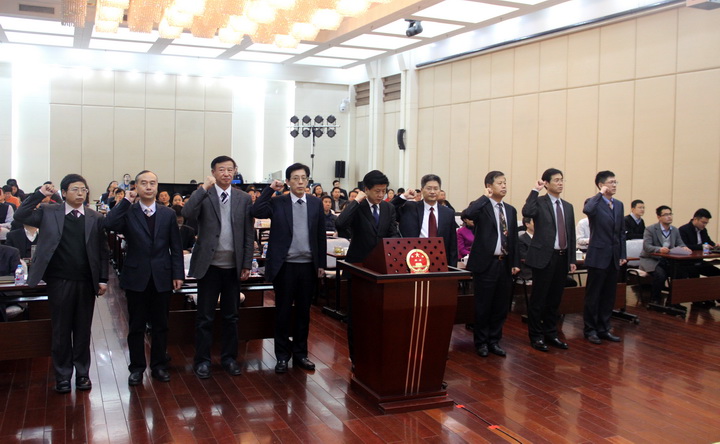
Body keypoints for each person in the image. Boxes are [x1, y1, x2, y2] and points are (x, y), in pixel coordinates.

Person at [14, 175, 109, 394]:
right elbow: (21, 215)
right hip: (59, 280)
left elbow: (102, 251)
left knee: (83, 330)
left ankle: (83, 373)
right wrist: (40, 194)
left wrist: (103, 279)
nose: (80, 193)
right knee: (61, 330)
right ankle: (63, 375)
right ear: (64, 193)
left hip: (86, 281)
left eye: (83, 189)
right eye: (75, 189)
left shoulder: (94, 217)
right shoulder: (49, 212)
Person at [105, 171, 184, 386]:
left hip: (162, 275)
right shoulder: (128, 212)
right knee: (136, 326)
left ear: (157, 187)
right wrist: (125, 201)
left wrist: (178, 273)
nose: (148, 187)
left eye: (152, 183)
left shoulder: (168, 213)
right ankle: (137, 368)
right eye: (143, 183)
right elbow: (109, 224)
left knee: (161, 325)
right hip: (136, 275)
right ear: (136, 187)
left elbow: (176, 247)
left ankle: (158, 365)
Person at [182, 156, 254, 379]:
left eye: (230, 169)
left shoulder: (243, 198)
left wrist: (246, 263)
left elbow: (248, 233)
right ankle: (202, 361)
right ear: (213, 172)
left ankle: (229, 359)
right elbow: (187, 213)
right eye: (221, 169)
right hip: (209, 266)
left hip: (233, 267)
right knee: (205, 317)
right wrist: (203, 188)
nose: (226, 173)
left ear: (235, 172)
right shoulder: (205, 194)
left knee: (231, 317)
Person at [251, 163, 327, 373]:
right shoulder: (279, 202)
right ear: (287, 181)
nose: (300, 182)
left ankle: (301, 354)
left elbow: (320, 235)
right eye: (295, 178)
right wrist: (270, 189)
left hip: (308, 266)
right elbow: (256, 210)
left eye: (304, 178)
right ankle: (282, 356)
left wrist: (321, 264)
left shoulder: (315, 203)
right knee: (283, 312)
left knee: (303, 313)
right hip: (285, 266)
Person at [335, 170, 399, 362]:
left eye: (383, 191)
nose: (380, 195)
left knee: (378, 315)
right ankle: (356, 357)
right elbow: (340, 224)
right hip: (358, 267)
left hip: (381, 269)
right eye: (377, 191)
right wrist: (356, 201)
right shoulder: (358, 206)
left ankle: (375, 354)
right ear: (366, 189)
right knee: (357, 316)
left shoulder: (388, 208)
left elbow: (392, 233)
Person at [464, 171, 520, 357]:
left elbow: (513, 239)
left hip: (504, 263)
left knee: (500, 306)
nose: (503, 186)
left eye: (505, 183)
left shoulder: (510, 210)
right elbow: (467, 214)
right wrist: (484, 198)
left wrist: (515, 262)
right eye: (499, 183)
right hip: (486, 264)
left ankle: (494, 341)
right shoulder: (482, 207)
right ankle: (481, 342)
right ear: (489, 186)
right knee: (483, 305)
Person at [522, 168, 577, 352]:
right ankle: (536, 336)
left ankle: (551, 333)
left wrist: (571, 258)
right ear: (546, 183)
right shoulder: (539, 202)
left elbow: (571, 234)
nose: (560, 183)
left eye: (562, 180)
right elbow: (527, 211)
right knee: (539, 299)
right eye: (556, 180)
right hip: (544, 257)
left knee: (554, 299)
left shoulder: (567, 206)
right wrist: (534, 190)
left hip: (562, 257)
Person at [582, 171, 626, 345]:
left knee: (608, 295)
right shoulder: (593, 202)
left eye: (616, 182)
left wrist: (622, 254)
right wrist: (600, 194)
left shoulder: (619, 205)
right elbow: (587, 210)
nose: (614, 185)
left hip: (613, 256)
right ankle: (590, 329)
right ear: (601, 185)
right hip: (598, 256)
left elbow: (621, 232)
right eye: (611, 182)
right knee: (593, 295)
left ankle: (604, 328)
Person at [391, 174, 458, 267]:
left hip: (439, 260)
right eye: (429, 188)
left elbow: (452, 244)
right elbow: (389, 209)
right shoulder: (410, 207)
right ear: (422, 190)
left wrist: (452, 269)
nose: (432, 192)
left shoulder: (448, 213)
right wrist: (403, 197)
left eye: (436, 189)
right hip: (413, 259)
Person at [639, 206, 691, 305]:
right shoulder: (650, 229)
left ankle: (673, 300)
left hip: (667, 260)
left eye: (670, 214)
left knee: (681, 273)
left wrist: (684, 247)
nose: (669, 217)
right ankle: (655, 299)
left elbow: (680, 243)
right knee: (660, 274)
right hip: (652, 259)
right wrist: (659, 249)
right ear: (659, 217)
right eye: (666, 215)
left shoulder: (675, 230)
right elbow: (647, 247)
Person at [678, 208, 720, 307]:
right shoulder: (683, 230)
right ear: (695, 219)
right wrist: (701, 246)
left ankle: (712, 296)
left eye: (706, 223)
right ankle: (698, 299)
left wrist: (715, 246)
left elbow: (708, 242)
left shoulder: (703, 230)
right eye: (703, 222)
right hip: (687, 263)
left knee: (717, 273)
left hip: (699, 261)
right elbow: (685, 246)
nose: (704, 225)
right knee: (694, 274)